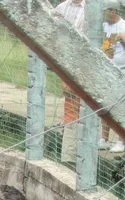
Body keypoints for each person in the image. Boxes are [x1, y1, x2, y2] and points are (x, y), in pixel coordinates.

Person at [55, 0, 86, 163]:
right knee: (71, 104)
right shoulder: (62, 7)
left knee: (80, 108)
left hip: (83, 62)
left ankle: (71, 157)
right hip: (66, 61)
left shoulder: (90, 9)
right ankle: (69, 156)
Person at [99, 0, 125, 153]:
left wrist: (124, 40)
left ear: (114, 11)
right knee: (105, 104)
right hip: (106, 69)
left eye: (106, 12)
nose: (105, 15)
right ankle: (103, 138)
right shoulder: (104, 26)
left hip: (122, 71)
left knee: (121, 106)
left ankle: (120, 141)